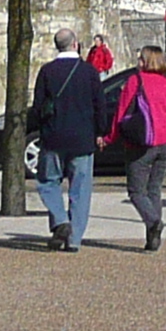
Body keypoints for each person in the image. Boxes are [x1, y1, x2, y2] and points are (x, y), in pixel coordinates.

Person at [100, 45, 166, 252]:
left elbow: (121, 115)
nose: (137, 62)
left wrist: (108, 138)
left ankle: (153, 222)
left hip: (142, 142)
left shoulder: (134, 82)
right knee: (154, 190)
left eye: (141, 59)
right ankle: (152, 239)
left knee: (136, 191)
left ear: (147, 62)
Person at [29, 28, 105, 252]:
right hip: (83, 138)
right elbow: (99, 105)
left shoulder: (47, 71)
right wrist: (100, 132)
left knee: (48, 182)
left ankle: (60, 221)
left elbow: (38, 107)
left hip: (54, 137)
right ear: (76, 44)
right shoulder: (89, 72)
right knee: (80, 190)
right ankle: (74, 239)